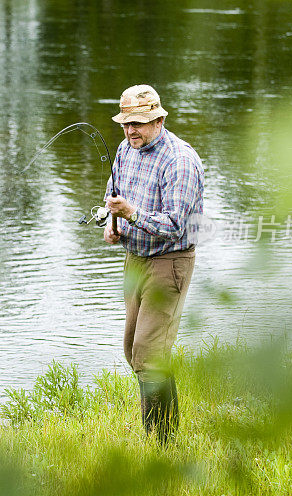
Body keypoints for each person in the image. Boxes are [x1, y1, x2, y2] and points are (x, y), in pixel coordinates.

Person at [103, 84, 204, 445]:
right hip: (135, 258)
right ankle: (166, 432)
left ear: (159, 119)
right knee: (134, 350)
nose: (131, 130)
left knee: (149, 352)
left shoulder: (180, 161)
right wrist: (110, 223)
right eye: (126, 123)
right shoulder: (125, 148)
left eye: (139, 123)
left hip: (170, 261)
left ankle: (161, 443)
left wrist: (131, 213)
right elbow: (112, 195)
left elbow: (175, 224)